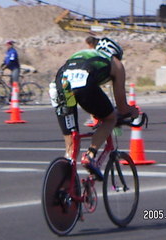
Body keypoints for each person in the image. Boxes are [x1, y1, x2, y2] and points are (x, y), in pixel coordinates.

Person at [50, 37, 139, 181]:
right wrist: (131, 111)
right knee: (110, 119)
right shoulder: (115, 63)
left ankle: (66, 187)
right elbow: (121, 106)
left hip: (60, 85)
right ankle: (90, 156)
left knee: (72, 147)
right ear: (116, 54)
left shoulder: (85, 53)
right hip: (82, 86)